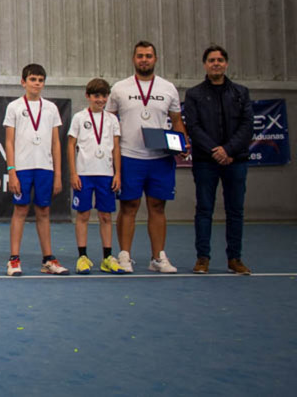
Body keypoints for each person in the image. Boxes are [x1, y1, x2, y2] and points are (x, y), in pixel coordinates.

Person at [106, 41, 187, 274]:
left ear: (156, 59)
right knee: (129, 205)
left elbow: (178, 121)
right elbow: (109, 122)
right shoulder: (119, 88)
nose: (144, 59)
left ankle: (157, 257)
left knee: (158, 206)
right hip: (129, 156)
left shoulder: (168, 88)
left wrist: (183, 142)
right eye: (140, 56)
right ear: (133, 59)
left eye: (148, 56)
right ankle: (124, 256)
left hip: (160, 158)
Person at [184, 45, 254, 275]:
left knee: (235, 211)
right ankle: (202, 258)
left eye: (220, 60)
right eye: (212, 60)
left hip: (236, 160)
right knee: (204, 209)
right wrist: (215, 150)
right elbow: (193, 127)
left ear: (226, 64)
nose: (216, 63)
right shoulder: (194, 94)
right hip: (206, 161)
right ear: (205, 64)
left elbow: (247, 126)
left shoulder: (241, 93)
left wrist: (228, 150)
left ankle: (235, 258)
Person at [4, 63, 67, 276]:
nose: (37, 84)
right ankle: (14, 259)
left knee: (44, 211)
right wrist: (11, 171)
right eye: (32, 79)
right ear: (23, 82)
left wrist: (58, 174)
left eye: (40, 80)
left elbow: (56, 143)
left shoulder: (51, 108)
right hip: (22, 168)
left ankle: (48, 259)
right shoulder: (13, 107)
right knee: (20, 210)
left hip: (45, 168)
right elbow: (9, 142)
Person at [67, 78, 124, 274]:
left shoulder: (112, 119)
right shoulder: (79, 118)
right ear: (88, 96)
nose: (100, 100)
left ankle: (107, 257)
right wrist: (73, 173)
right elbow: (70, 145)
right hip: (83, 174)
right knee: (82, 215)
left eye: (104, 96)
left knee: (106, 216)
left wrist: (117, 173)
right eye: (96, 96)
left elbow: (116, 148)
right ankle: (82, 257)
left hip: (106, 174)